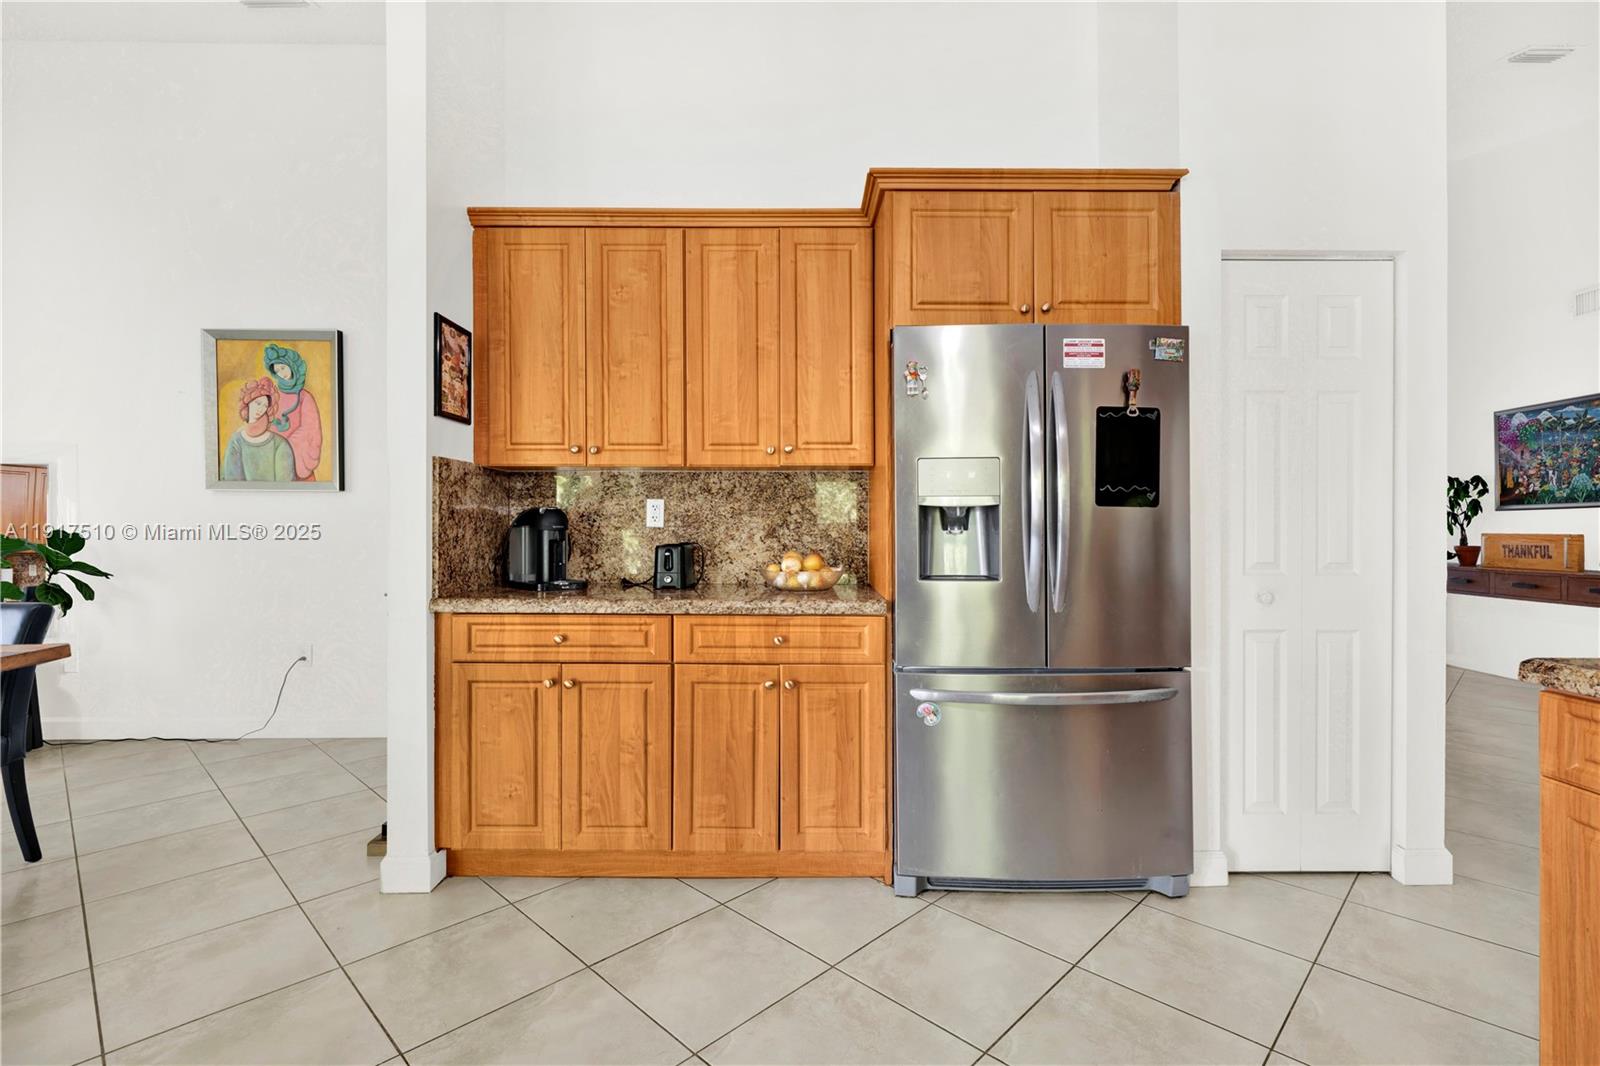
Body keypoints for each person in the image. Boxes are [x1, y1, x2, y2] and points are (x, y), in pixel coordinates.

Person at [262, 343, 323, 480]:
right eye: (277, 371)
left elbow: (311, 430)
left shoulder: (305, 397)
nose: (282, 374)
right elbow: (266, 422)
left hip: (296, 461)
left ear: (291, 365)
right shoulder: (273, 395)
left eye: (283, 368)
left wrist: (284, 449)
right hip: (272, 461)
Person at [222, 377, 295, 482]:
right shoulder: (236, 441)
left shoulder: (280, 444)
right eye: (258, 403)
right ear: (248, 402)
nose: (261, 409)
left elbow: (286, 484)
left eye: (265, 405)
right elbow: (232, 481)